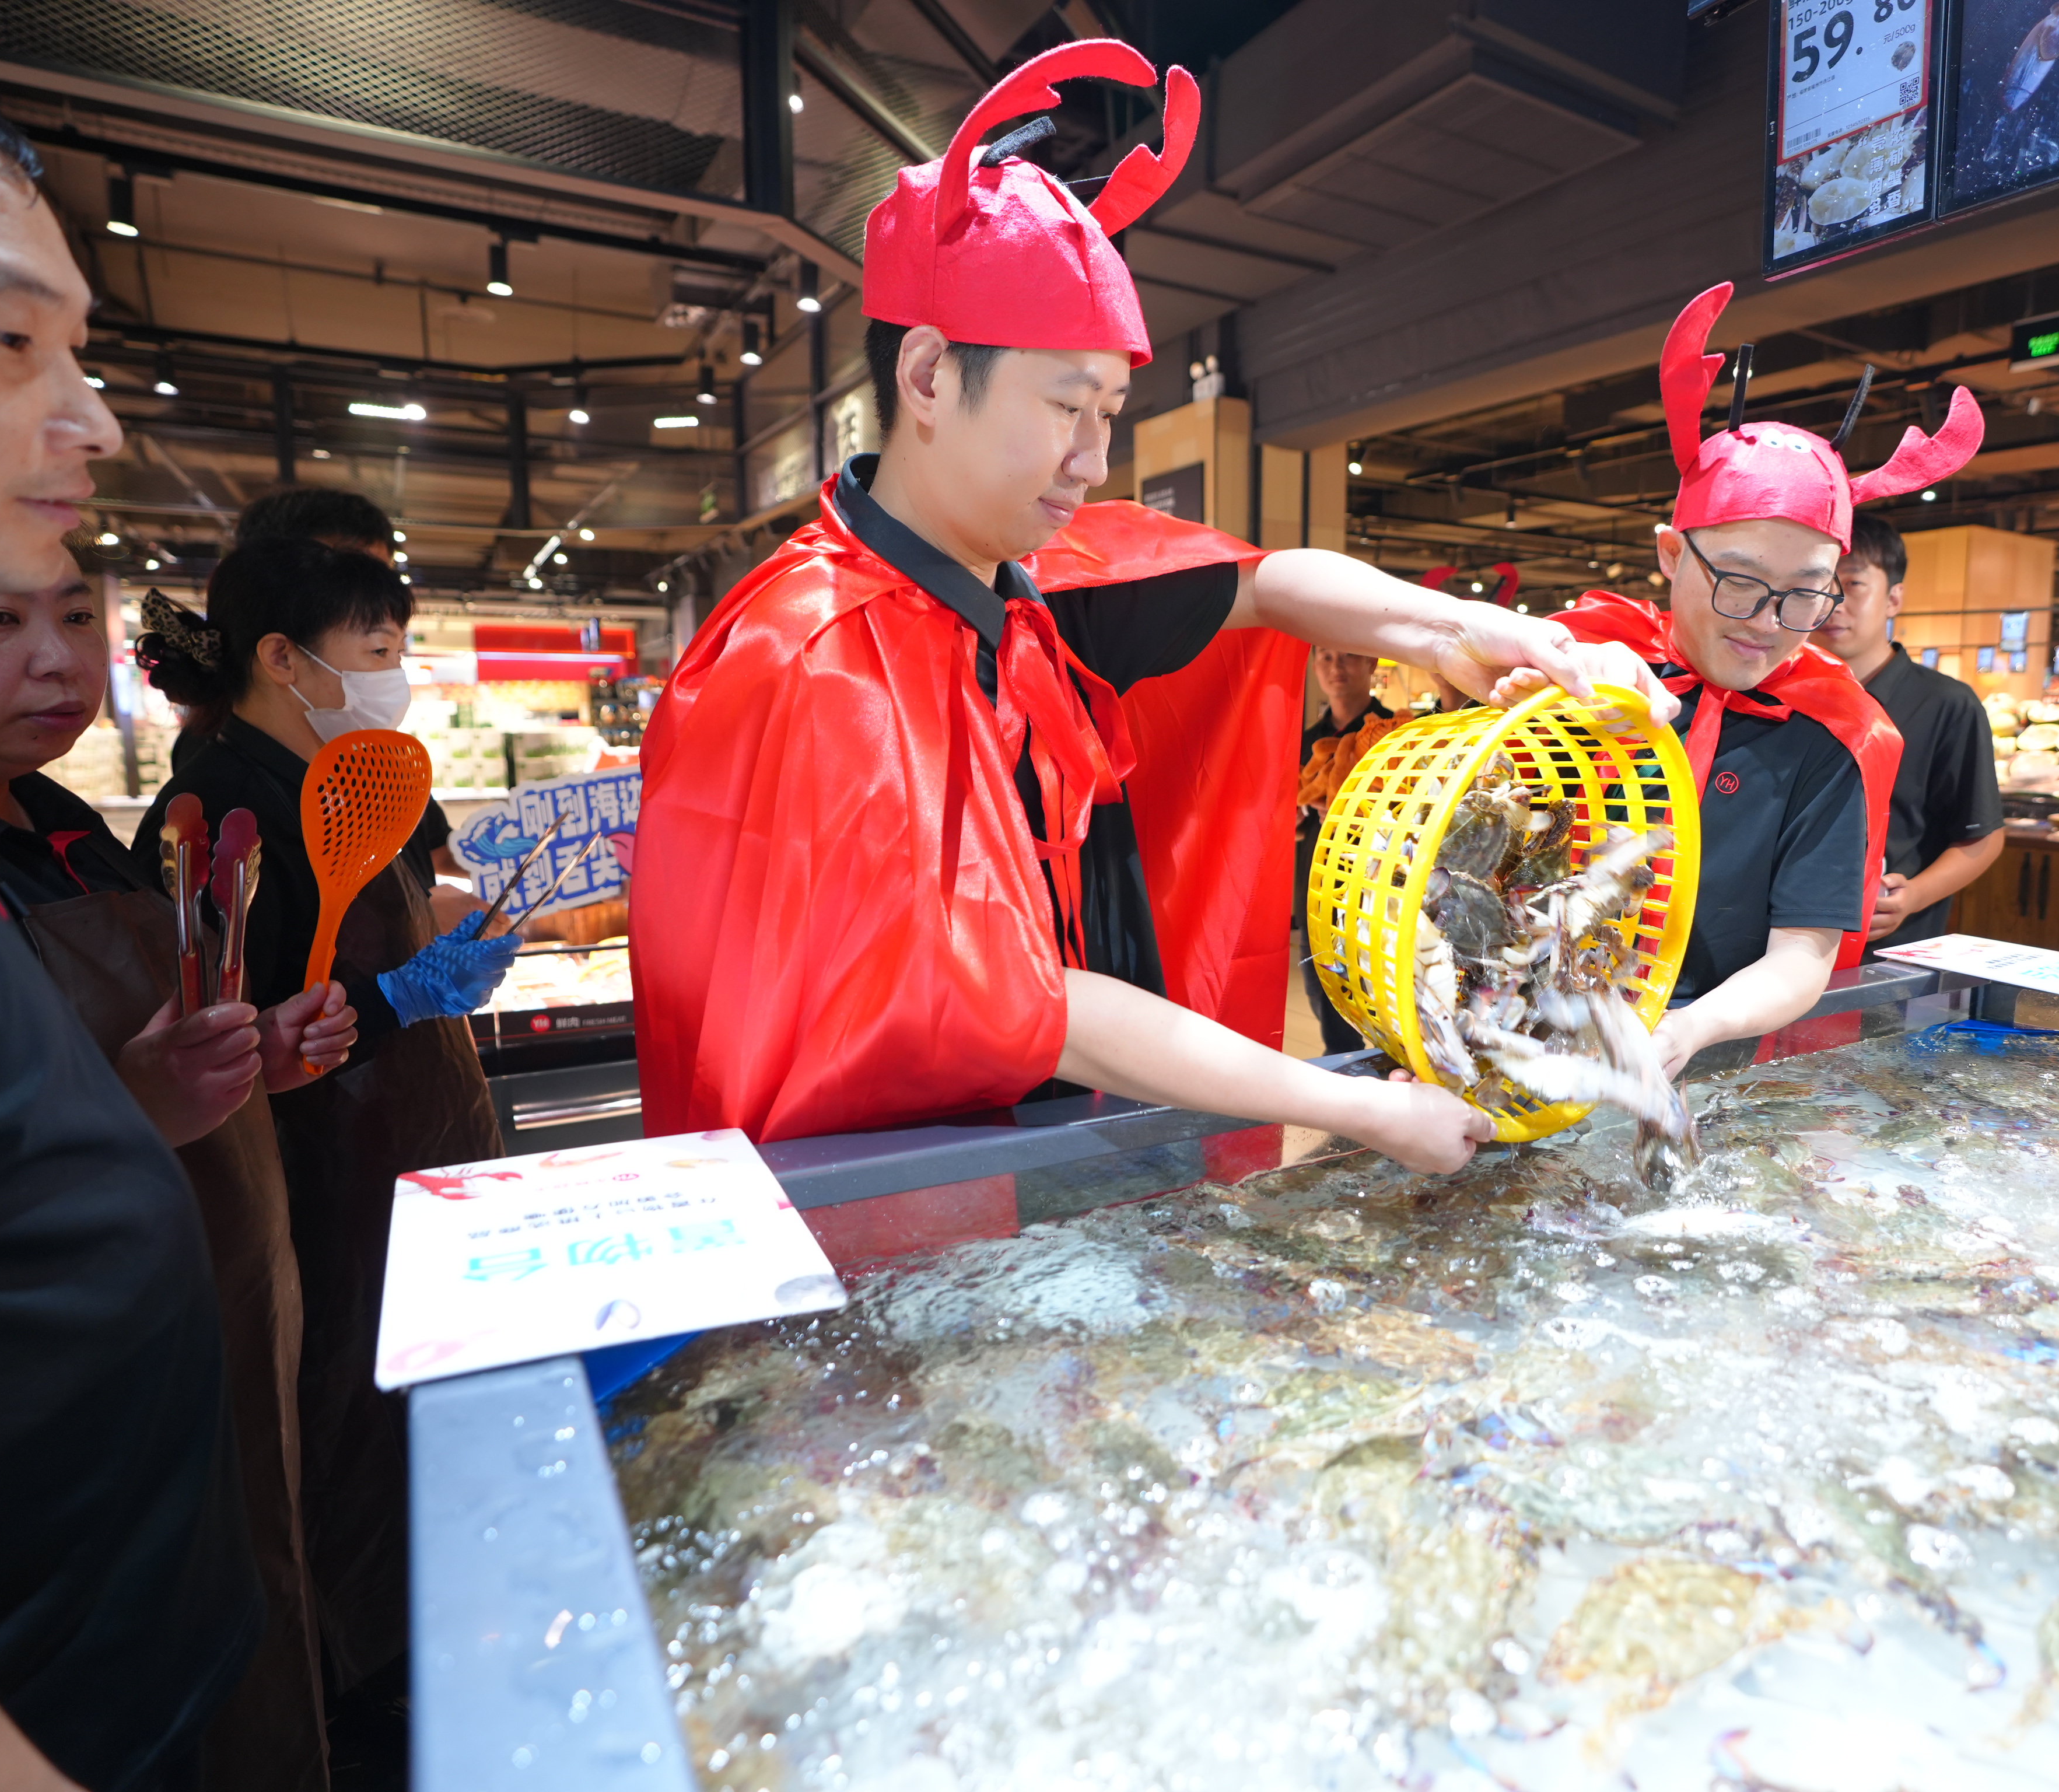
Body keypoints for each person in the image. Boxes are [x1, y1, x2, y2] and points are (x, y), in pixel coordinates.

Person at [632, 41, 1668, 1172]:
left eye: (1112, 412)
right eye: (1066, 406)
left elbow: (1266, 585)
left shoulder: (1028, 583)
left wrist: (1485, 634)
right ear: (927, 377)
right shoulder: (817, 661)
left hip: (1036, 1147)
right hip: (878, 1183)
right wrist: (1358, 1108)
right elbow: (1030, 1002)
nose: (1092, 459)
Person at [0, 68, 264, 1791]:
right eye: (10, 341)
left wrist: (150, 1097)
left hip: (134, 1647)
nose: (92, 421)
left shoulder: (62, 828)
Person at [0, 570, 355, 1792]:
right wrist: (129, 1111)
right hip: (42, 1504)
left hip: (194, 1397)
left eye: (78, 617)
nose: (59, 658)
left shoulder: (66, 830)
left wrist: (258, 1055)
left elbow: (169, 1050)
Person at [135, 538, 519, 1723]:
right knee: (343, 1437)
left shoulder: (366, 775)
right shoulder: (222, 805)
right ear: (283, 658)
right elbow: (222, 1031)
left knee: (429, 1419)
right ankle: (368, 1701)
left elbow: (405, 914)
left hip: (415, 1151)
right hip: (319, 1187)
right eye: (377, 647)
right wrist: (389, 999)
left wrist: (439, 959)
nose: (395, 672)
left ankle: (453, 1632)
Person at [1559, 284, 1983, 1075]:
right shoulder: (1586, 667)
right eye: (1740, 581)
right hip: (1531, 1024)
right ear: (1671, 554)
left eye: (1805, 594)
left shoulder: (1830, 738)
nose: (1766, 620)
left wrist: (1688, 1030)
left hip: (1712, 1052)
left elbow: (1803, 954)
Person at [223, 484, 474, 926]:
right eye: (379, 650)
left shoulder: (369, 761)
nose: (368, 588)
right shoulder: (229, 801)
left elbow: (427, 853)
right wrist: (414, 927)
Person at [1809, 513, 2004, 947]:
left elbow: (1982, 835)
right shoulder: (1777, 695)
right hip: (1778, 946)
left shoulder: (1945, 703)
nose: (1831, 602)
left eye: (1853, 583)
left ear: (1893, 598)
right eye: (1817, 583)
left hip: (1887, 950)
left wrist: (1914, 896)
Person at [1293, 646, 1392, 1054]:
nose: (1336, 667)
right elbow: (1284, 820)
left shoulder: (1397, 731)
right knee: (1322, 978)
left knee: (1385, 979)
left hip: (1380, 880)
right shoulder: (1304, 741)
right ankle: (1341, 1061)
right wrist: (1304, 806)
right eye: (1326, 657)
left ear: (1372, 662)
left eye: (1349, 655)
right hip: (1317, 878)